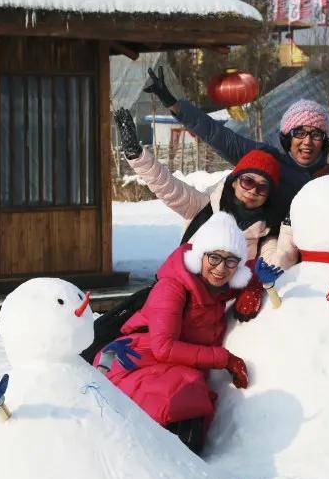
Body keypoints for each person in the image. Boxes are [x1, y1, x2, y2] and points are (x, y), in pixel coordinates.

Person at [143, 67, 329, 268]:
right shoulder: (266, 160)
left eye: (316, 134)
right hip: (254, 256)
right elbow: (217, 136)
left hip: (309, 266)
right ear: (288, 136)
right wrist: (172, 103)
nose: (307, 142)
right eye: (300, 133)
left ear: (324, 141)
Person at [94, 213, 252, 455]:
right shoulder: (172, 288)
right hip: (134, 356)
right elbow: (163, 347)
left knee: (188, 391)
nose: (221, 268)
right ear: (200, 257)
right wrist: (224, 359)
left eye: (231, 261)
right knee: (180, 392)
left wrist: (258, 285)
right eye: (214, 257)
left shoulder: (217, 289)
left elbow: (257, 271)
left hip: (172, 362)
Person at [114, 108, 281, 321]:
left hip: (216, 314)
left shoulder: (265, 233)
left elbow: (271, 261)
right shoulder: (205, 206)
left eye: (262, 187)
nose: (252, 191)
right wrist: (136, 155)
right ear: (235, 180)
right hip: (176, 299)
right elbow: (167, 186)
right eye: (248, 181)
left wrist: (254, 287)